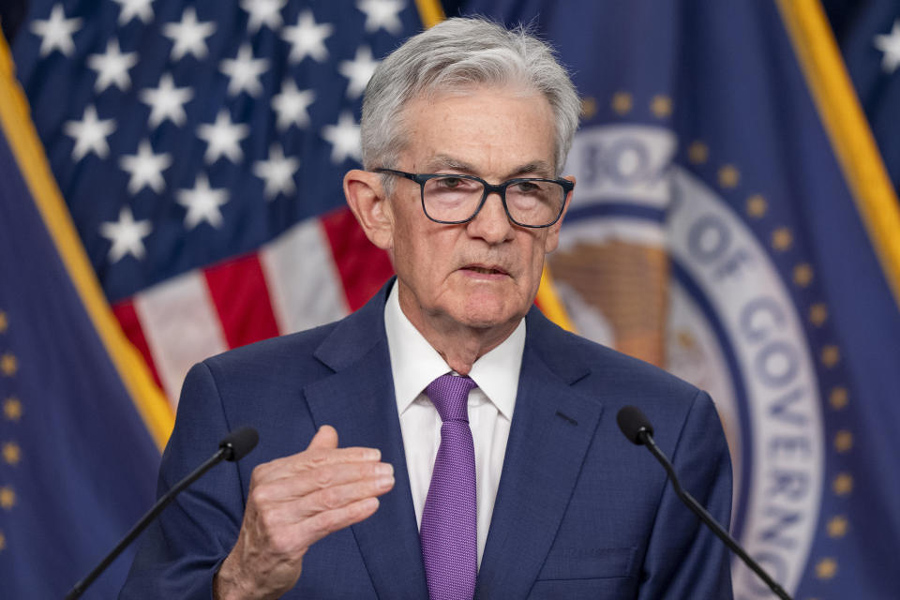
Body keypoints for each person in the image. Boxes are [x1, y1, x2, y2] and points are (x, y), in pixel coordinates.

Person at [121, 17, 733, 600]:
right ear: (375, 209)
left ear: (556, 219)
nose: (494, 226)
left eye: (525, 188)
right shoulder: (239, 409)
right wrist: (238, 583)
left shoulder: (661, 433)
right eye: (452, 184)